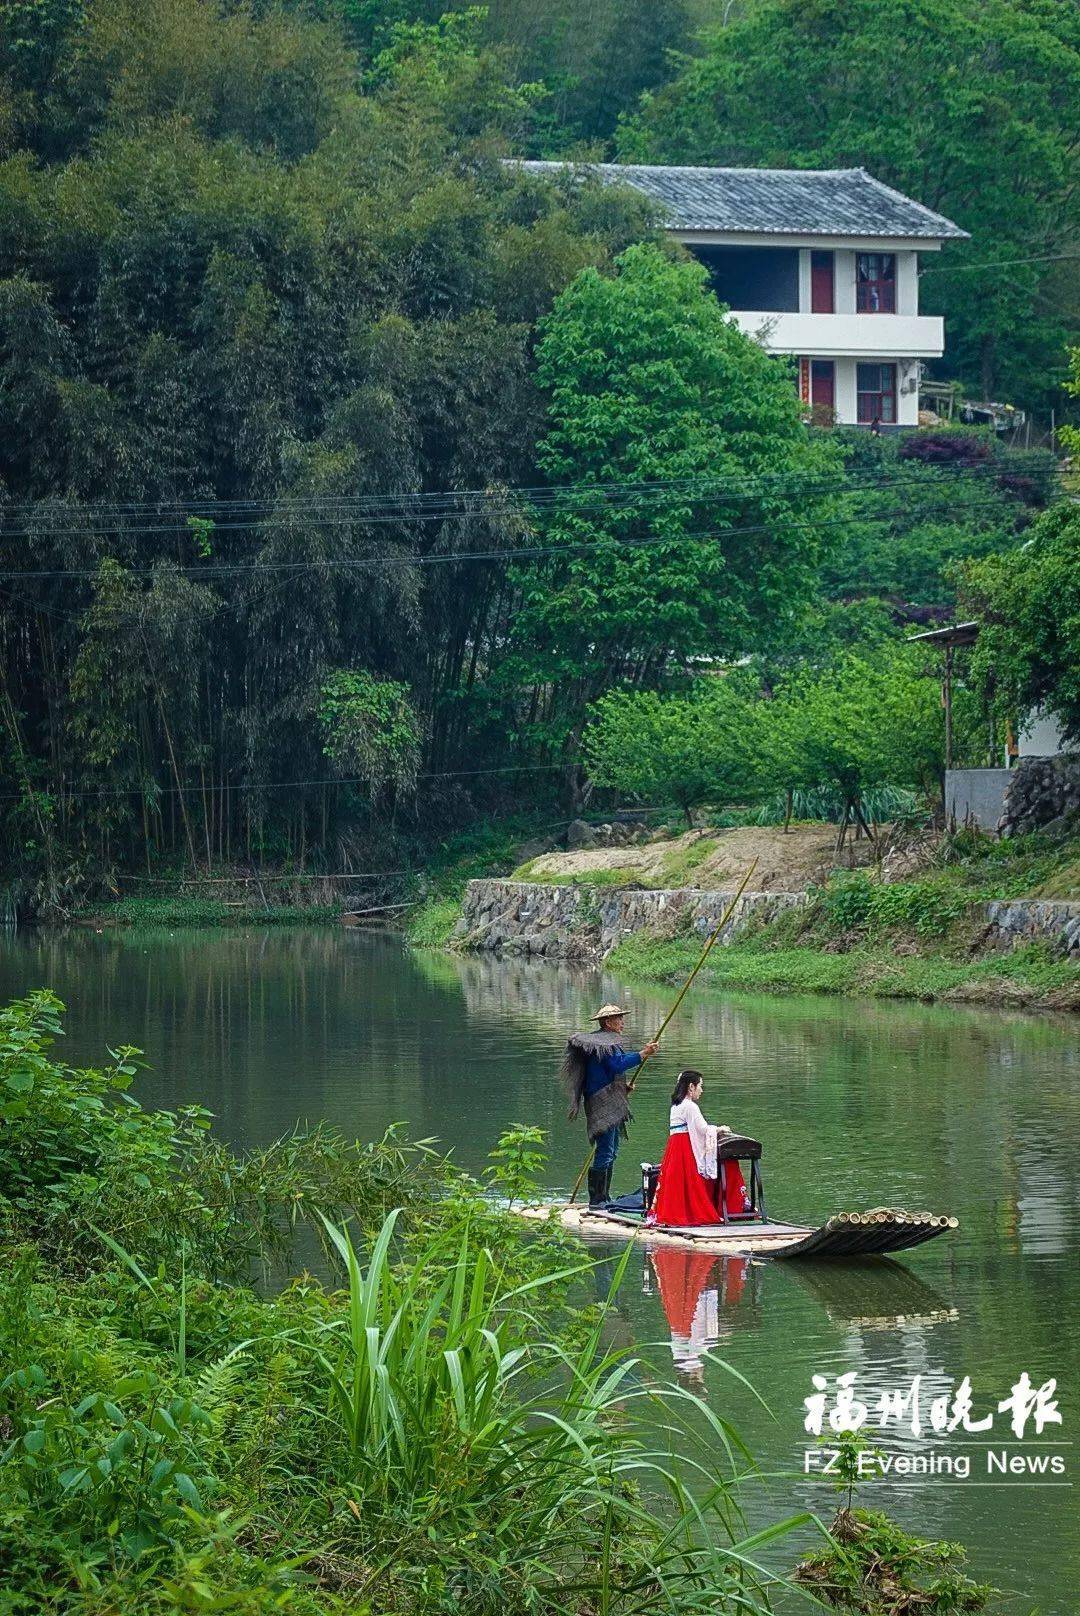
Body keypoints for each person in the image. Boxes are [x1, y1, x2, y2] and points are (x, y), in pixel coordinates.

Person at [562, 1004, 659, 1207]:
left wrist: (623, 1088)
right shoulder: (603, 1044)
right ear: (608, 1022)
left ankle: (604, 1197)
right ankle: (596, 1200)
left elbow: (608, 1073)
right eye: (619, 1019)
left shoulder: (610, 1043)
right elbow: (617, 1064)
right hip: (601, 1102)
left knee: (612, 1150)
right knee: (605, 1150)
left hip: (611, 1099)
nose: (622, 1022)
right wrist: (643, 1053)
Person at [649, 1069, 751, 1228]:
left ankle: (675, 1213)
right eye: (700, 1086)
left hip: (674, 1145)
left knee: (678, 1181)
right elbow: (703, 1130)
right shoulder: (690, 1106)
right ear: (691, 1087)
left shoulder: (676, 1105)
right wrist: (719, 1129)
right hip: (684, 1146)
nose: (701, 1090)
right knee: (691, 1181)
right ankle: (701, 1212)